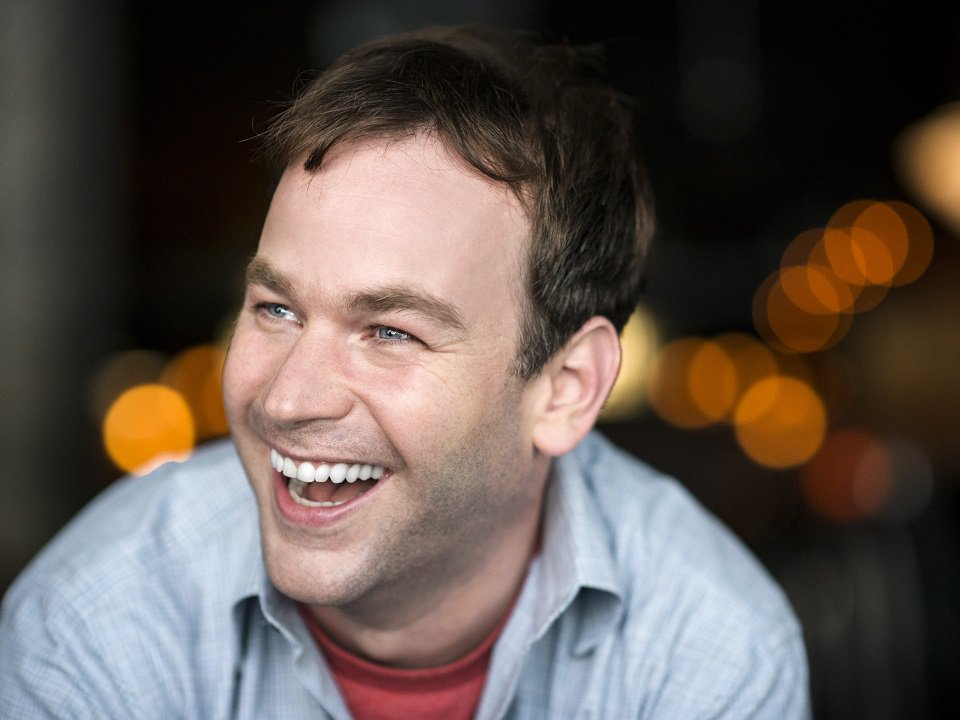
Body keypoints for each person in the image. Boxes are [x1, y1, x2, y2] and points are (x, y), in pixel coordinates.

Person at [0, 25, 809, 719]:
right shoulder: (90, 625)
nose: (286, 398)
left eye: (388, 331)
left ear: (565, 390)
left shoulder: (707, 651)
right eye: (276, 310)